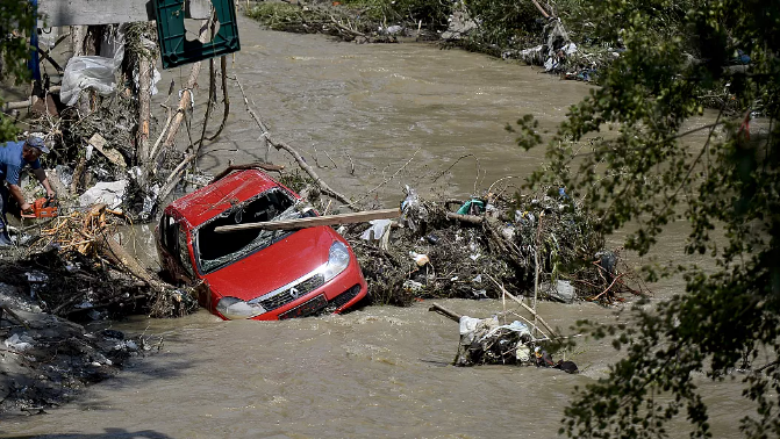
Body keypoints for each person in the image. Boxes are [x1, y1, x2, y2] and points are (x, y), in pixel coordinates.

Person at [0, 136, 55, 245]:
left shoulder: (29, 152)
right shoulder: (15, 160)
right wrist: (24, 204)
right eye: (38, 154)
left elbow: (38, 170)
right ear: (30, 151)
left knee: (4, 201)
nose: (40, 156)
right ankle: (1, 239)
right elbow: (12, 185)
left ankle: (5, 232)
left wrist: (48, 189)